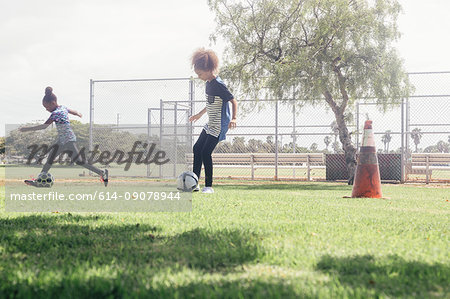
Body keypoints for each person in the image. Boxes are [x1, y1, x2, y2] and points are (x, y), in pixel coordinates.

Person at [20, 87, 109, 186]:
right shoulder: (63, 108)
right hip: (64, 140)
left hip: (68, 141)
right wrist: (78, 113)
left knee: (76, 161)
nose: (46, 109)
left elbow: (44, 126)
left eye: (47, 107)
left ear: (53, 103)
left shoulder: (55, 114)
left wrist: (27, 129)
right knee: (56, 159)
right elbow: (73, 111)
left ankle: (102, 173)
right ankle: (39, 181)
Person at [189, 48, 238, 193]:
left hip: (220, 124)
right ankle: (194, 183)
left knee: (205, 152)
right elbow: (210, 103)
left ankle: (208, 186)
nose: (199, 77)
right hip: (210, 123)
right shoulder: (208, 84)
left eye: (200, 74)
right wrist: (199, 114)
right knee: (197, 149)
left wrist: (234, 118)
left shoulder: (219, 84)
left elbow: (233, 101)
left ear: (209, 69)